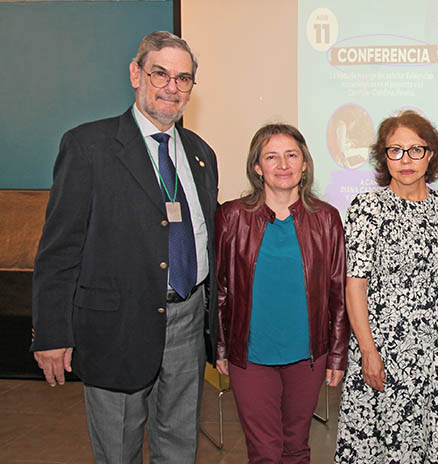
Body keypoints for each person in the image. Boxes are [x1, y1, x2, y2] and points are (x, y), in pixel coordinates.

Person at [31, 31, 218, 462]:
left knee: (179, 447)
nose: (172, 86)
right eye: (160, 74)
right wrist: (52, 333)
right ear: (136, 74)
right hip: (117, 325)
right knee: (118, 450)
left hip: (187, 321)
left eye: (184, 78)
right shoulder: (88, 146)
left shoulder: (200, 154)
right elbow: (59, 250)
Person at [335, 110, 438, 463]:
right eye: (395, 150)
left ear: (431, 154)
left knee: (434, 440)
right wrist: (368, 351)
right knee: (384, 443)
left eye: (415, 150)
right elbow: (355, 285)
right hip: (383, 346)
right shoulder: (368, 207)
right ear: (383, 156)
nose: (405, 160)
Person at [214, 124, 349, 463]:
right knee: (264, 452)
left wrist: (336, 355)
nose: (283, 164)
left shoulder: (327, 219)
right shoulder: (232, 217)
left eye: (292, 155)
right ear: (257, 167)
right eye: (271, 156)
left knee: (297, 447)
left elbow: (338, 293)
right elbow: (220, 290)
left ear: (305, 164)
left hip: (308, 356)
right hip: (251, 356)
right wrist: (219, 346)